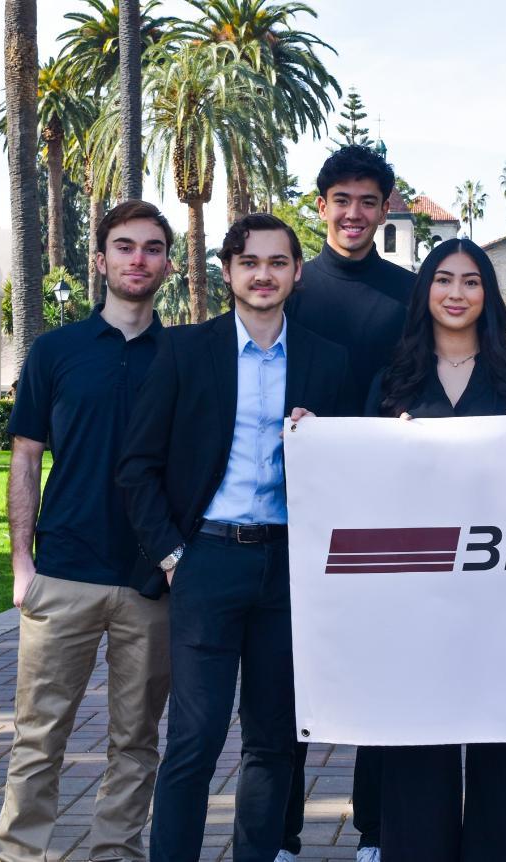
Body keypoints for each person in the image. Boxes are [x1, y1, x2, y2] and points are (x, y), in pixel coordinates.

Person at [116, 213, 352, 862]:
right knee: (194, 740)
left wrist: (322, 441)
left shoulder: (329, 362)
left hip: (288, 568)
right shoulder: (185, 351)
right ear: (227, 272)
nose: (263, 274)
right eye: (250, 262)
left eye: (277, 262)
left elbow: (351, 471)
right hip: (207, 562)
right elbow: (137, 466)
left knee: (274, 742)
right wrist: (172, 556)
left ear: (297, 273)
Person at [0, 201, 175, 862]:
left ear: (167, 264)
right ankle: (19, 854)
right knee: (38, 738)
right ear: (99, 260)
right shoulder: (56, 351)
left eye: (152, 248)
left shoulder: (183, 356)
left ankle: (115, 854)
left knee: (136, 741)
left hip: (149, 580)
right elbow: (24, 458)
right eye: (124, 246)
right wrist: (21, 565)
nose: (138, 259)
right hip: (64, 572)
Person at [366, 238, 506, 861]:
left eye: (471, 282)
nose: (456, 293)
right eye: (443, 280)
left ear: (488, 296)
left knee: (503, 749)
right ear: (424, 292)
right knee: (418, 745)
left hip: (503, 597)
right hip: (416, 598)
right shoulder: (392, 383)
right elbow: (358, 485)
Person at [281, 143, 416, 862]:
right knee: (290, 678)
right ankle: (280, 834)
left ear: (386, 207)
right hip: (294, 506)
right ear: (322, 205)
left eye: (368, 201)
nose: (355, 213)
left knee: (379, 672)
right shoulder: (294, 288)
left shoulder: (411, 293)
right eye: (342, 200)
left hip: (385, 507)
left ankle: (375, 831)